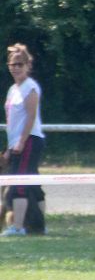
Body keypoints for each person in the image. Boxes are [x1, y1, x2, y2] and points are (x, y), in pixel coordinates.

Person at [3, 43, 46, 236]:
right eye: (13, 64)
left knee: (19, 182)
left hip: (29, 140)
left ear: (28, 65)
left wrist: (21, 141)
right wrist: (10, 146)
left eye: (20, 64)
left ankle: (18, 227)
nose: (16, 67)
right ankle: (39, 227)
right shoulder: (13, 89)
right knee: (33, 183)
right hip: (17, 142)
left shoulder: (31, 87)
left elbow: (30, 117)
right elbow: (12, 121)